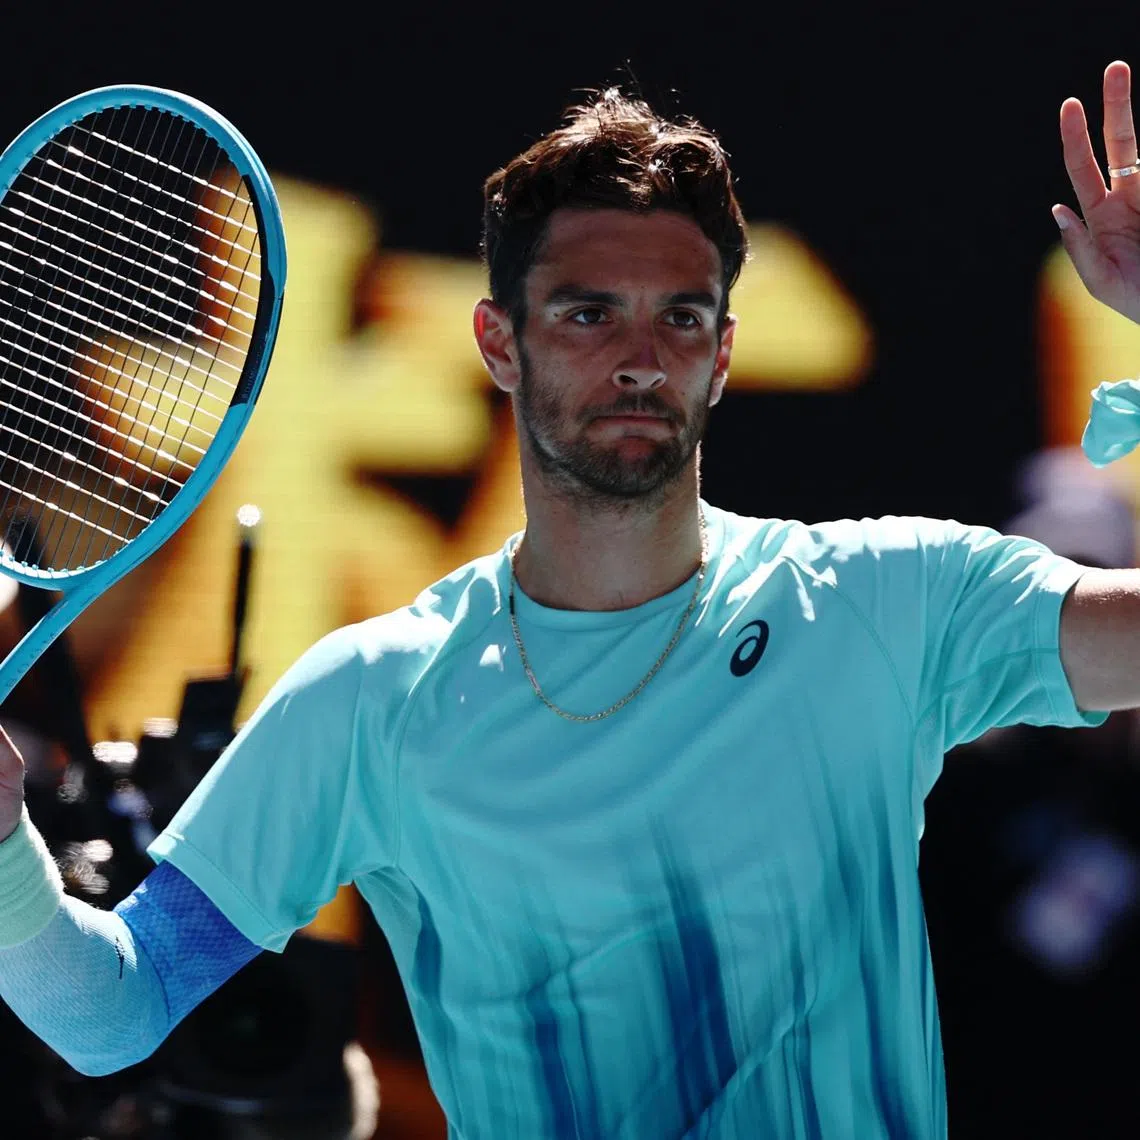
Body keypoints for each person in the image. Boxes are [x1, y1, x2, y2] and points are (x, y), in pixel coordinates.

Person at [2, 59, 1140, 1140]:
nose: (641, 357)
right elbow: (110, 1012)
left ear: (724, 354)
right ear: (500, 341)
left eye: (681, 317)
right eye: (591, 314)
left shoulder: (891, 600)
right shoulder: (373, 698)